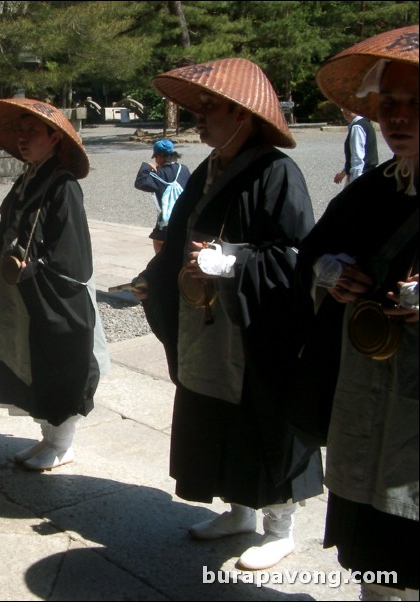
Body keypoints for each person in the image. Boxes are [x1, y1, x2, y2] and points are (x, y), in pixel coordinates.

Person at [132, 58, 323, 570]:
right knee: (215, 413)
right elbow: (179, 239)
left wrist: (233, 261)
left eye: (211, 107)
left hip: (254, 327)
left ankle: (280, 527)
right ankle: (239, 511)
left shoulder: (277, 172)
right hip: (206, 325)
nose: (200, 115)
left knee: (264, 418)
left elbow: (295, 258)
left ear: (244, 114)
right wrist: (156, 273)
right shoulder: (209, 169)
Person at [297, 25, 418, 601]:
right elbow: (314, 251)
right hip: (364, 387)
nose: (399, 116)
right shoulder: (371, 190)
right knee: (373, 548)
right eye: (389, 103)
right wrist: (332, 274)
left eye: (417, 103)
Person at [0, 98, 109, 470]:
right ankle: (48, 437)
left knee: (58, 362)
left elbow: (71, 254)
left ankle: (63, 442)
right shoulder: (29, 175)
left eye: (33, 131)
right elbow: (11, 226)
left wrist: (34, 269)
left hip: (54, 291)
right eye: (19, 130)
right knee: (28, 361)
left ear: (55, 138)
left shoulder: (62, 184)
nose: (23, 137)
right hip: (25, 290)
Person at [133, 138, 191, 253]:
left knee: (158, 241)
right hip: (184, 216)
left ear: (159, 156)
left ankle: (160, 265)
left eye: (155, 157)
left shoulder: (158, 174)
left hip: (166, 219)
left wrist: (147, 166)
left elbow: (140, 183)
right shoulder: (184, 169)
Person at [333, 107, 379, 186]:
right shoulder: (366, 123)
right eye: (343, 108)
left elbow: (357, 157)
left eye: (348, 108)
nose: (345, 111)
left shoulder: (357, 127)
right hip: (369, 174)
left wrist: (355, 184)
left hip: (362, 177)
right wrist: (344, 172)